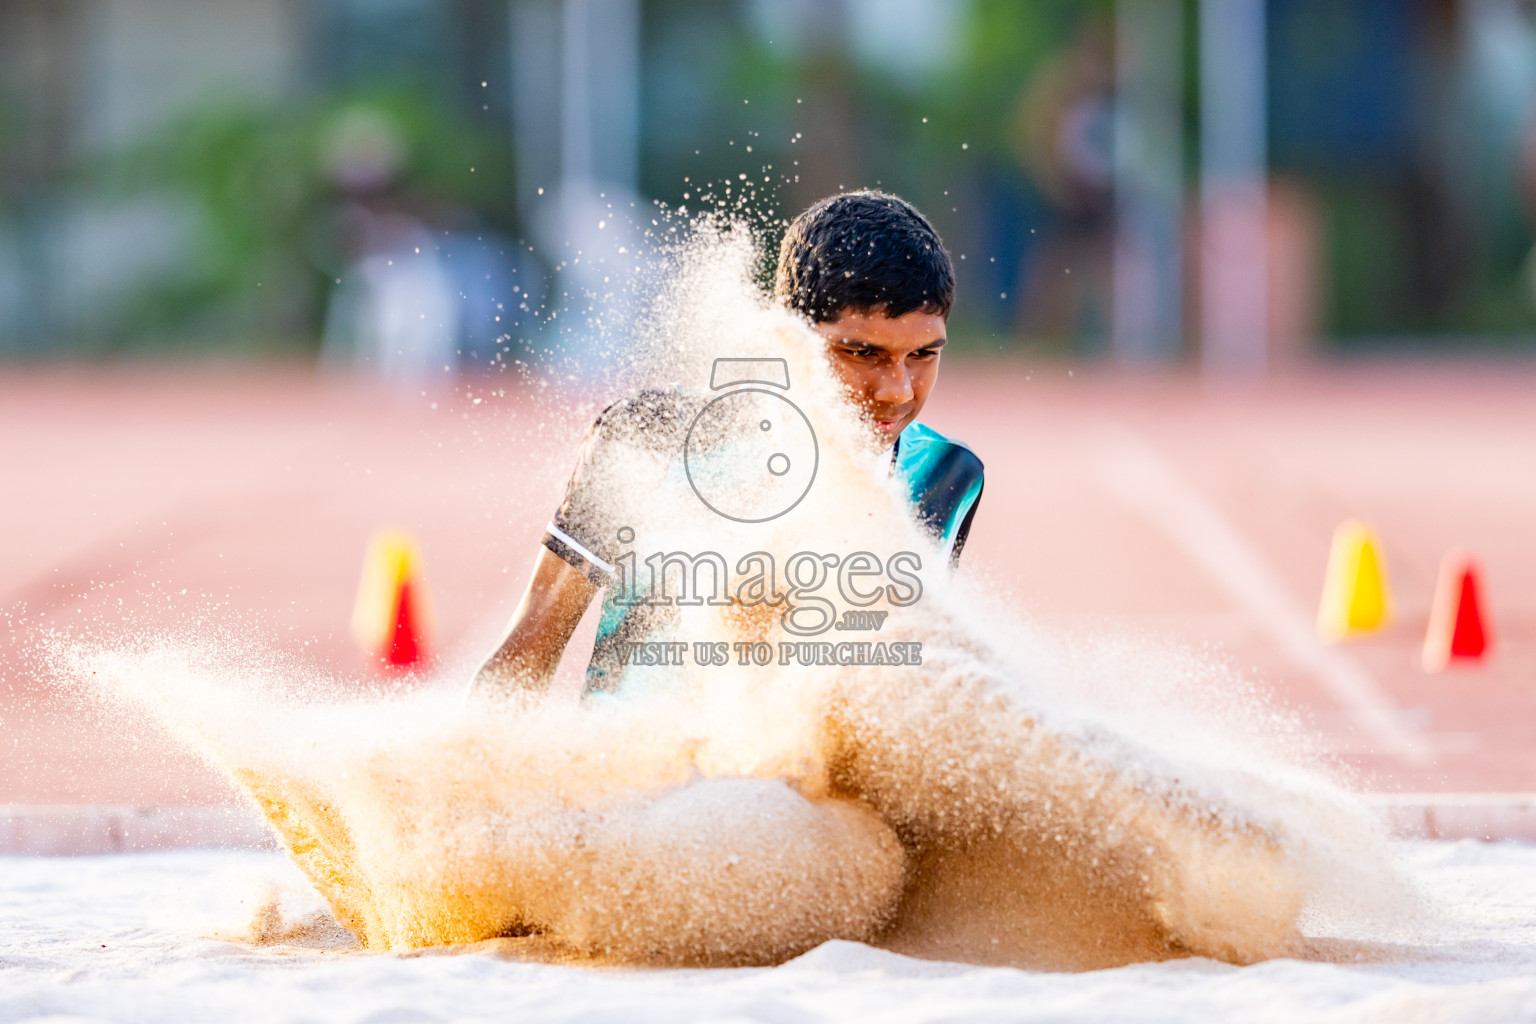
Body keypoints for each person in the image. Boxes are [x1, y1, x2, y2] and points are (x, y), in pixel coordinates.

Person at [471, 191, 983, 699]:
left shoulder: (947, 474)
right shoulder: (651, 440)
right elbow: (526, 659)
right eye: (862, 353)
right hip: (634, 773)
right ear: (787, 340)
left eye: (921, 354)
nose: (897, 389)